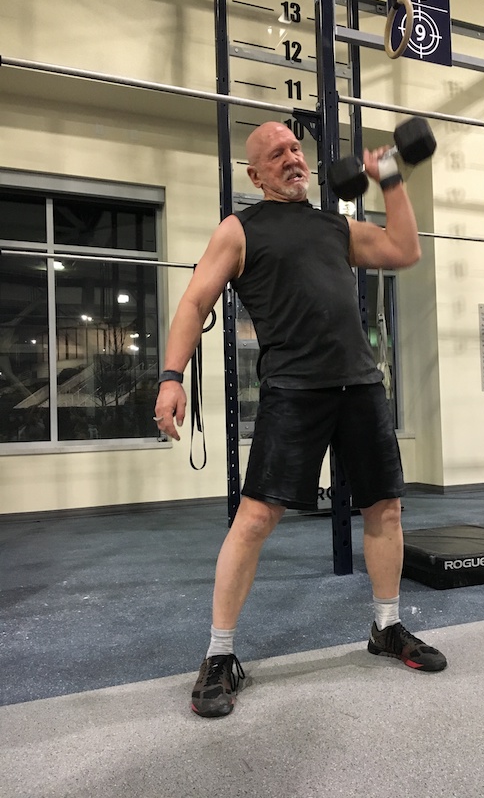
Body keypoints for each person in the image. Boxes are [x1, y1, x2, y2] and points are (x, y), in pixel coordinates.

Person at [154, 121, 447, 718]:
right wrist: (171, 376)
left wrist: (390, 177)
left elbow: (403, 250)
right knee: (257, 516)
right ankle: (219, 655)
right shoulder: (240, 230)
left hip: (360, 384)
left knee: (385, 507)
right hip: (294, 390)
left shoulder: (334, 227)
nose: (292, 158)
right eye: (276, 154)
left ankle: (386, 627)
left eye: (295, 149)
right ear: (254, 174)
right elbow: (193, 301)